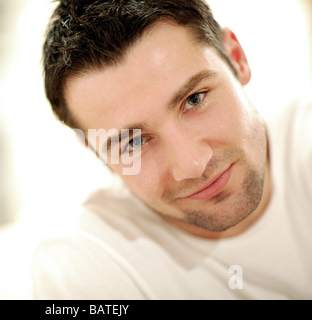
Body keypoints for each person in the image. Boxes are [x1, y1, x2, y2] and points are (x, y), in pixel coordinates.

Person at [32, 0, 312, 299]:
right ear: (97, 152)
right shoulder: (88, 264)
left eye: (194, 99)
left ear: (237, 58)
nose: (192, 164)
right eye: (133, 142)